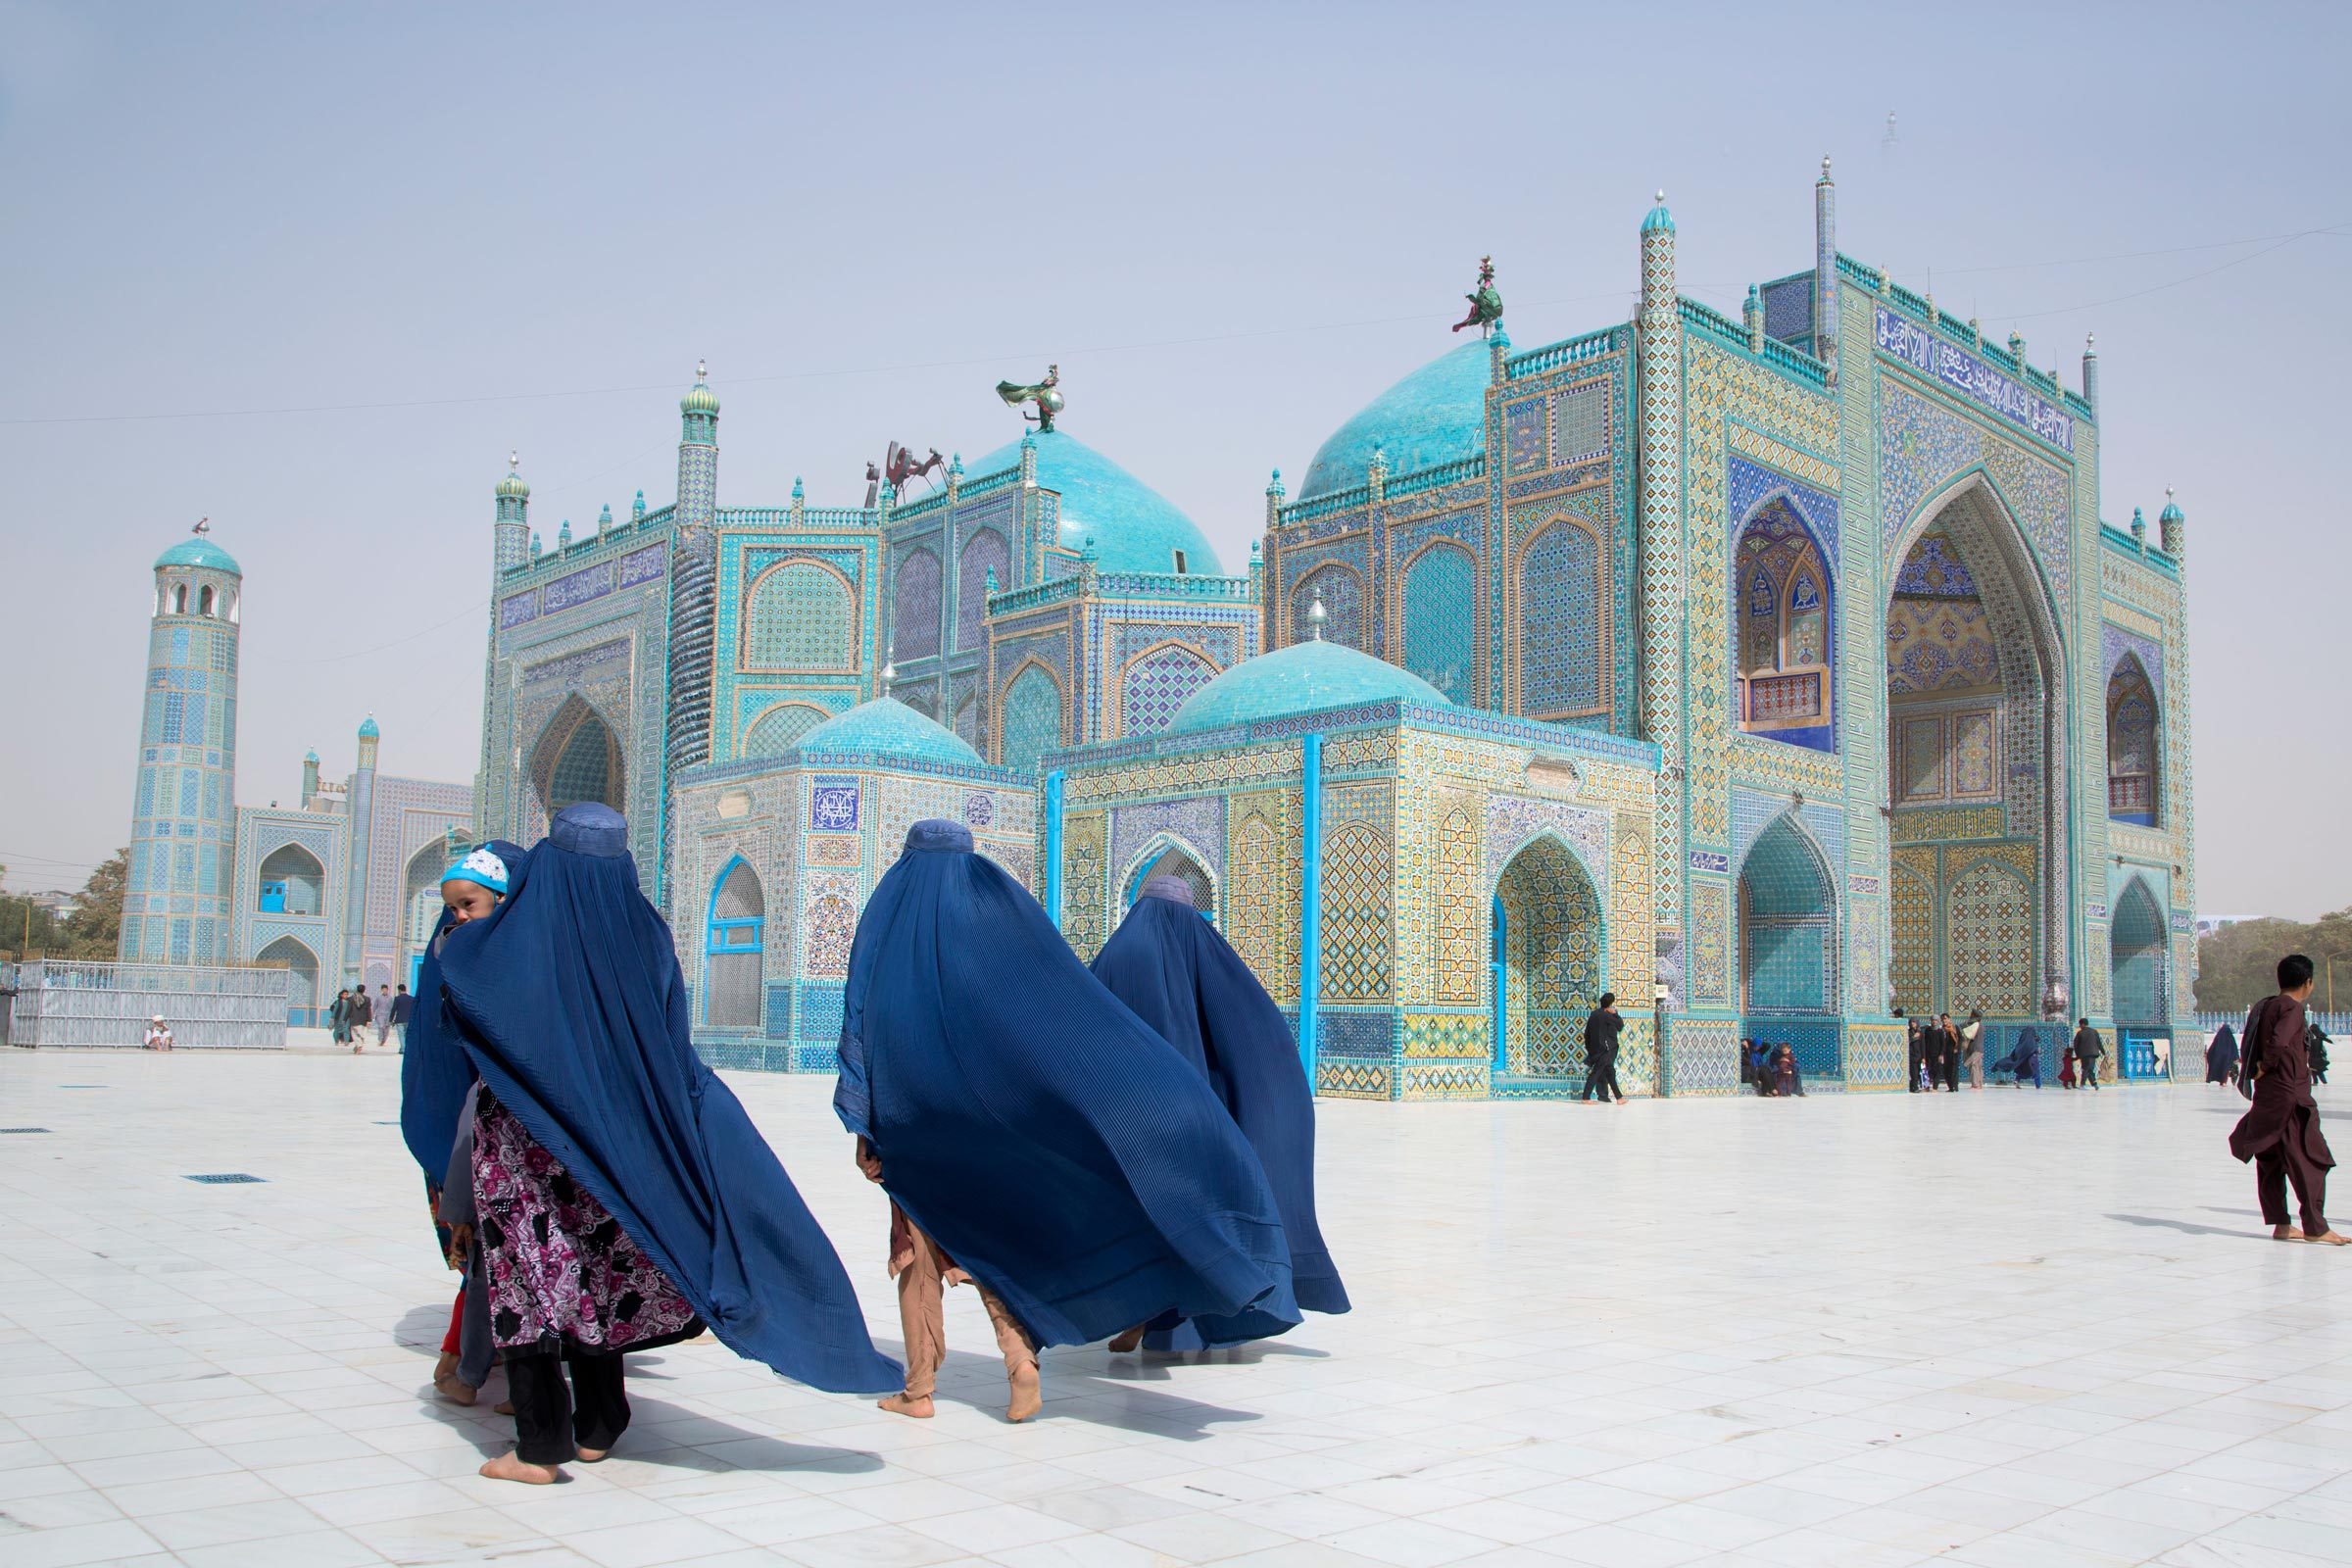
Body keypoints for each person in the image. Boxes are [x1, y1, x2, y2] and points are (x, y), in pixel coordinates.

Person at [423, 807, 900, 1482]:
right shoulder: (644, 931)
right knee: (596, 1272)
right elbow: (668, 1041)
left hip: (527, 1142)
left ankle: (538, 1447)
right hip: (616, 1143)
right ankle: (598, 1425)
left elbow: (459, 1000)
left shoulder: (509, 939)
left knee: (529, 1278)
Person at [835, 820, 1294, 1425]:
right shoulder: (993, 919)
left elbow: (861, 1023)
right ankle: (1019, 1359)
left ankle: (918, 1391)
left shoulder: (888, 927)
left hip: (911, 1124)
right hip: (988, 1121)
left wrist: (866, 1126)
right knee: (988, 1240)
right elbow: (1048, 1011)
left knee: (920, 1248)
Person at [1089, 875, 1348, 1351]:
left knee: (1146, 1214)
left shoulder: (1121, 952)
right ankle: (1183, 1316)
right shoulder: (1210, 955)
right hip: (1196, 1125)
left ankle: (1145, 1314)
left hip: (1134, 1121)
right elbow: (1262, 1045)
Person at [2229, 955, 2345, 1245]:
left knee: (2271, 1161)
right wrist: (2267, 1064)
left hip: (2268, 1098)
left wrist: (2258, 1069)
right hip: (2290, 1098)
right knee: (2310, 1161)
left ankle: (2281, 1224)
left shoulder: (2266, 1005)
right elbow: (2279, 1042)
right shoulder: (2292, 1009)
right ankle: (2316, 1228)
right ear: (2308, 983)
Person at [1579, 993, 1625, 1103]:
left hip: (1595, 1049)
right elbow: (1620, 1026)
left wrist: (1589, 1048)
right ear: (1610, 1004)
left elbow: (1587, 1033)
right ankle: (1586, 1098)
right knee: (1596, 1072)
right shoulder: (1607, 1015)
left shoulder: (1594, 1014)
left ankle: (1619, 1098)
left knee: (1610, 1071)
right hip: (1605, 1049)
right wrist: (1615, 1014)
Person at [2072, 1017, 2105, 1091]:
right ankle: (2095, 1085)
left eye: (2080, 1025)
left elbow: (2075, 1044)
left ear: (2083, 1024)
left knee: (2086, 1069)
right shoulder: (2094, 1031)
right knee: (2089, 1069)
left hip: (2084, 1054)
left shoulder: (2080, 1033)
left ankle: (2082, 1084)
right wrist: (2103, 1052)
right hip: (2093, 1054)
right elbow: (2099, 1043)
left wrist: (2077, 1055)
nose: (2080, 1026)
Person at [2206, 1023, 2240, 1088]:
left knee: (2222, 1068)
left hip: (2219, 1057)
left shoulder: (2219, 1037)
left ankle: (2222, 1081)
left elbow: (2212, 1048)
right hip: (2228, 1057)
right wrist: (2236, 1057)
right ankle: (2223, 1082)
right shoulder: (2231, 1038)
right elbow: (2234, 1048)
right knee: (2226, 1069)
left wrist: (2209, 1055)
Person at [1962, 1009, 1985, 1091]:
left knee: (1973, 1065)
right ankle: (1979, 1084)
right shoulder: (1979, 1025)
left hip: (1976, 1049)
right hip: (1977, 1049)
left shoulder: (1976, 1025)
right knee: (1977, 1065)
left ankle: (1975, 1085)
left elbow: (1969, 1035)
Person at [388, 982, 414, 1051]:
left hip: (399, 1020)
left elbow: (394, 1009)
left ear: (399, 990)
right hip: (409, 1020)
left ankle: (403, 1048)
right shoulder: (411, 998)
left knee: (401, 1035)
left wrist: (391, 1019)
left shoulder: (397, 998)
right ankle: (405, 1048)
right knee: (407, 1035)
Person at [349, 985, 373, 1054]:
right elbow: (368, 1010)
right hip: (364, 1019)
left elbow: (349, 1009)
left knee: (354, 1033)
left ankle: (359, 1046)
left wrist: (345, 1018)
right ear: (364, 990)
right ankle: (358, 1046)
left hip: (354, 1018)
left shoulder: (351, 998)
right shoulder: (367, 999)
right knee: (361, 1034)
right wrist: (369, 1019)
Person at [1905, 1015, 1925, 1094]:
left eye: (1914, 1022)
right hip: (1911, 1055)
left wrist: (1923, 1057)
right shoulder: (1908, 1032)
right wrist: (1913, 1037)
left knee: (1918, 1072)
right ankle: (1915, 1087)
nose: (1912, 1023)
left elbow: (1923, 1045)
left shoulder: (1920, 1033)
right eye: (1911, 1022)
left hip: (1919, 1055)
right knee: (1913, 1072)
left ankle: (1913, 1086)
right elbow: (1906, 1042)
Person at [374, 983, 395, 1047]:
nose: (384, 990)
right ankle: (380, 1039)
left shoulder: (390, 998)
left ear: (387, 990)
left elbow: (392, 1008)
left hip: (388, 1015)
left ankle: (383, 1040)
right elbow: (375, 1006)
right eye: (383, 989)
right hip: (380, 1014)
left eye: (386, 989)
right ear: (381, 990)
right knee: (381, 1026)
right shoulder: (378, 998)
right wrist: (372, 1014)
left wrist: (393, 1016)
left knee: (386, 1029)